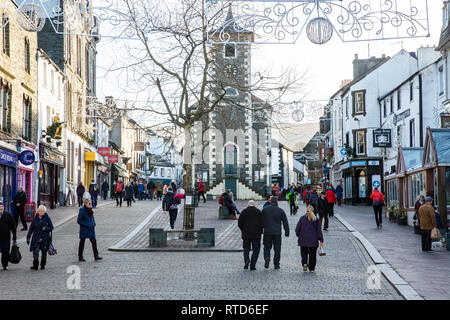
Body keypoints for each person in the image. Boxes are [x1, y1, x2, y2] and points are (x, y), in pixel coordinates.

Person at [261, 197, 289, 270]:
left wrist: (261, 230)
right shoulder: (280, 210)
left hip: (267, 232)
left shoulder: (265, 210)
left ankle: (267, 257)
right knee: (277, 249)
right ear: (276, 202)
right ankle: (276, 264)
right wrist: (287, 232)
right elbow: (285, 222)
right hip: (277, 233)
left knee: (267, 247)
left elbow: (260, 221)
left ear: (270, 201)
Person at [295, 205, 324, 272]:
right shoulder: (316, 219)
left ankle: (304, 263)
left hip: (303, 239)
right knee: (312, 254)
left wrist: (299, 235)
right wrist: (321, 239)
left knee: (304, 252)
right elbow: (319, 231)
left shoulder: (302, 218)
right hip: (313, 240)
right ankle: (311, 268)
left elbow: (297, 229)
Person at [238, 200, 264, 270]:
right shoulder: (258, 212)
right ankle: (253, 265)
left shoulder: (244, 212)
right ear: (254, 205)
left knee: (246, 249)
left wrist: (243, 230)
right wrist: (260, 230)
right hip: (256, 234)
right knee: (256, 250)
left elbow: (239, 223)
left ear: (248, 204)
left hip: (246, 234)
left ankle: (246, 260)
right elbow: (262, 223)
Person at [26, 205, 53, 270]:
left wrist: (45, 228)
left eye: (42, 211)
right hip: (36, 238)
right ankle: (35, 265)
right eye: (40, 211)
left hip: (45, 238)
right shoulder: (35, 219)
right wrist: (28, 237)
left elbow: (51, 227)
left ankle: (43, 265)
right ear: (38, 211)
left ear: (44, 212)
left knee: (44, 252)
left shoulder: (47, 218)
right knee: (35, 252)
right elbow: (31, 229)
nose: (41, 212)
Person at [0, 202, 17, 270]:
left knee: (5, 252)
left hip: (6, 237)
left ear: (4, 207)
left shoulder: (8, 215)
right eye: (0, 206)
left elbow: (13, 227)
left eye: (2, 206)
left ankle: (5, 264)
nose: (1, 208)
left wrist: (14, 236)